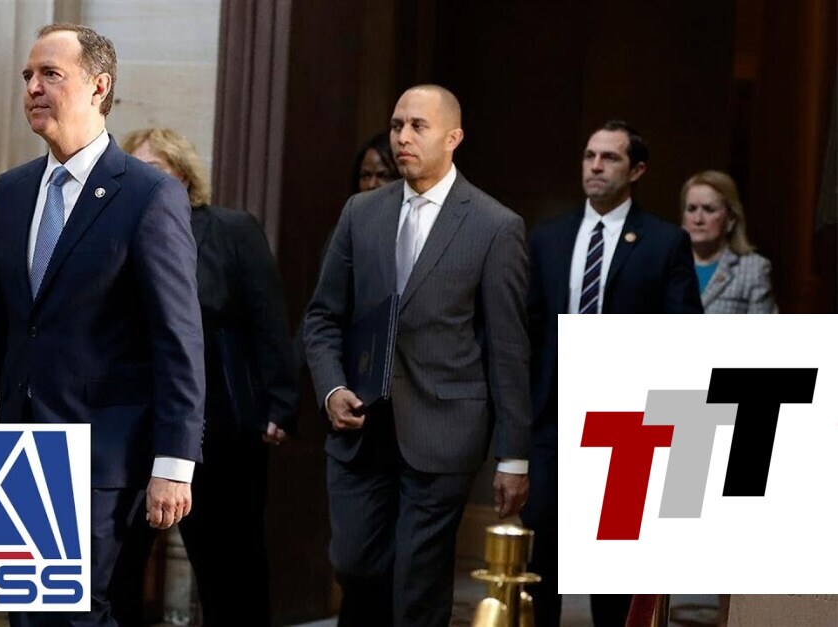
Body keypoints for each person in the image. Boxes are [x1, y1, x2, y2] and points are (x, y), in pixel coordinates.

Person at [0, 24, 205, 627]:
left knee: (75, 612)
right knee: (24, 611)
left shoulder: (148, 194)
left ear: (99, 86)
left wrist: (174, 461)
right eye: (28, 77)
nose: (33, 88)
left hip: (99, 459)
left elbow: (177, 338)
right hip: (13, 451)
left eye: (50, 75)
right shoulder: (11, 191)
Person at [303, 84, 531, 627]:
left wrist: (513, 457)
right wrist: (332, 389)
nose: (402, 137)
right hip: (363, 430)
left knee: (417, 585)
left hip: (444, 430)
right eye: (397, 125)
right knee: (355, 566)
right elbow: (323, 317)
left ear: (453, 137)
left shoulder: (495, 226)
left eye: (418, 126)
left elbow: (508, 350)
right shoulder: (361, 212)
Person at [524, 121, 703, 627]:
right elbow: (530, 331)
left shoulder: (665, 242)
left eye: (610, 158)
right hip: (554, 420)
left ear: (637, 170)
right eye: (589, 156)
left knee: (612, 570)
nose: (596, 166)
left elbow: (684, 334)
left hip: (625, 424)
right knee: (542, 558)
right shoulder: (549, 238)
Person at [121, 127, 299, 626]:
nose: (140, 182)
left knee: (230, 569)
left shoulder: (230, 230)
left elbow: (268, 319)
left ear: (182, 176)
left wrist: (280, 403)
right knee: (119, 572)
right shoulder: (118, 233)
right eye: (132, 172)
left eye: (153, 171)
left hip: (222, 430)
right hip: (134, 430)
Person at [680, 170, 777, 313]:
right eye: (691, 209)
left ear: (731, 219)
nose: (698, 219)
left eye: (709, 209)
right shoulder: (665, 264)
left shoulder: (753, 269)